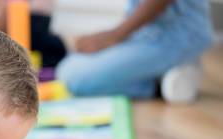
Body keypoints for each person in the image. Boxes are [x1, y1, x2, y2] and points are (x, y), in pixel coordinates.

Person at [56, 0, 214, 102]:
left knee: (75, 80)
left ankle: (159, 83)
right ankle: (166, 72)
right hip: (145, 34)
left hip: (177, 35)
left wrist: (115, 35)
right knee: (69, 66)